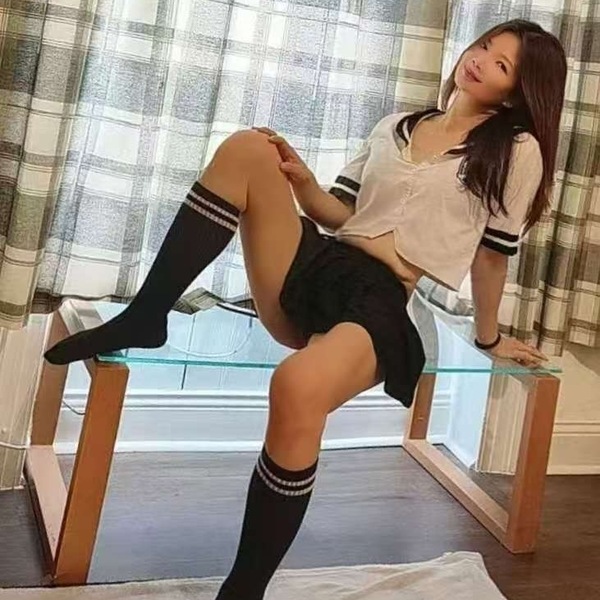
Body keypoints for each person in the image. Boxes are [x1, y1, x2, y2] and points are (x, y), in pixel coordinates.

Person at [43, 18, 566, 600]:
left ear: (516, 93)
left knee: (296, 386)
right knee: (249, 148)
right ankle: (148, 313)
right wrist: (304, 183)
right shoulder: (398, 125)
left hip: (380, 296)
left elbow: (492, 258)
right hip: (322, 264)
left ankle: (243, 590)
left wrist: (489, 338)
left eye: (501, 63)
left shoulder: (515, 151)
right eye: (486, 45)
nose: (481, 58)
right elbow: (341, 215)